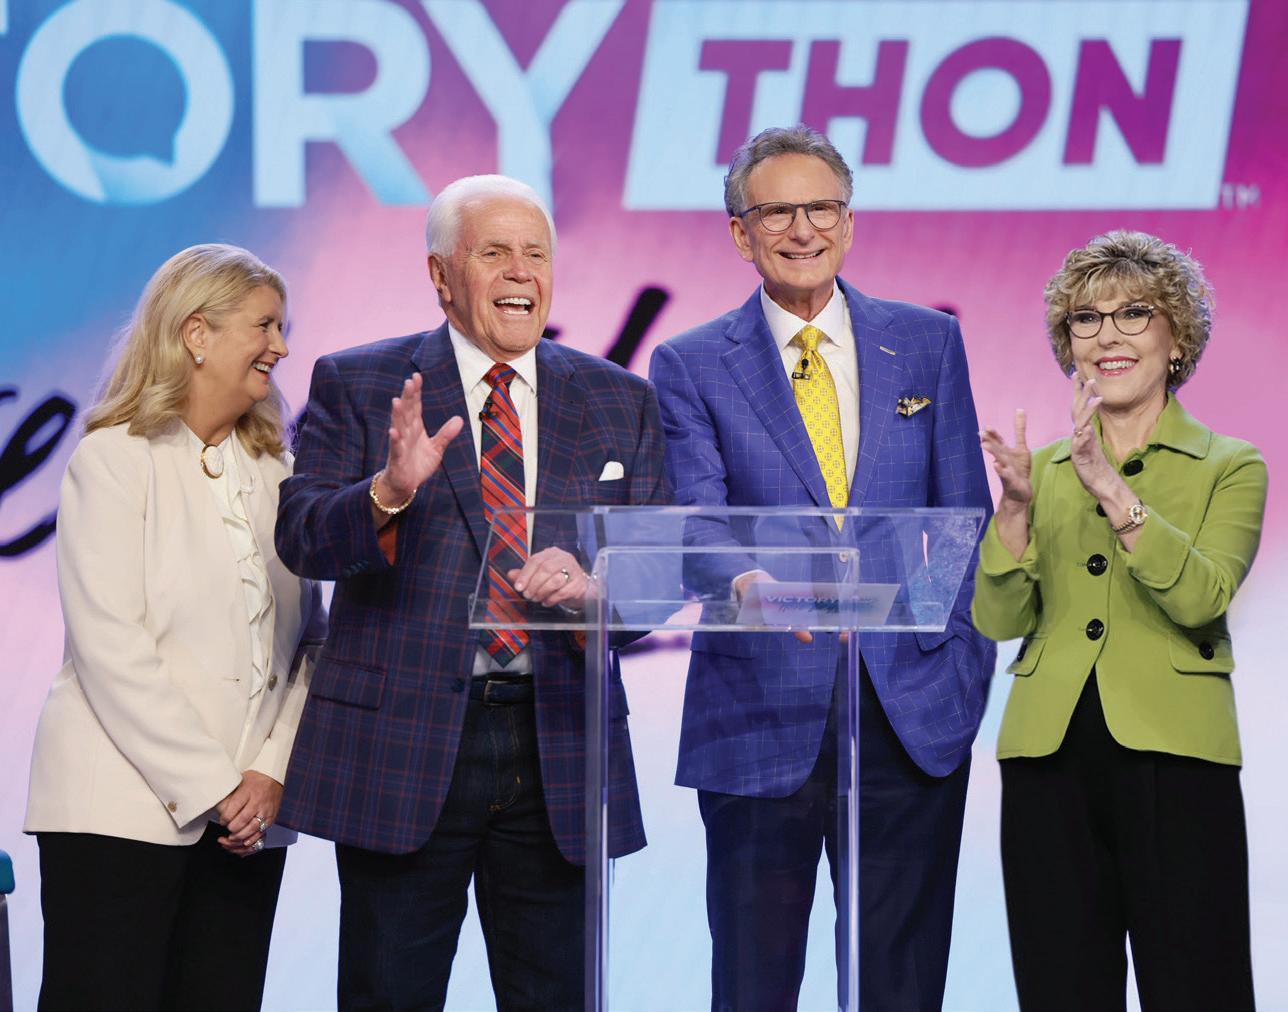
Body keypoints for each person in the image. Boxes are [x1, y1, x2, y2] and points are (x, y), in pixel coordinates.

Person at [275, 174, 669, 1010]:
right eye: (495, 252)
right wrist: (386, 493)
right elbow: (302, 537)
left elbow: (660, 577)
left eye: (536, 254)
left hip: (560, 744)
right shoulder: (361, 381)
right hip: (404, 745)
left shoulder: (621, 398)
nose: (521, 271)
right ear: (441, 274)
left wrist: (596, 591)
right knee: (388, 993)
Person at [649, 125, 995, 1010]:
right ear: (740, 233)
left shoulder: (926, 342)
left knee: (899, 986)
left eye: (823, 208)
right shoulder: (690, 362)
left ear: (850, 220)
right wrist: (747, 586)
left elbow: (963, 522)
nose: (803, 230)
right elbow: (694, 518)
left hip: (908, 712)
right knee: (754, 984)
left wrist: (950, 658)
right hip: (757, 707)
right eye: (777, 213)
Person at [25, 244, 326, 1011]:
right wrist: (217, 787)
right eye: (264, 326)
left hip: (250, 824)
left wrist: (270, 773)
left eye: (283, 328)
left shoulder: (282, 476)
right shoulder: (113, 460)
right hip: (118, 813)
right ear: (196, 334)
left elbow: (311, 645)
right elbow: (112, 651)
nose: (281, 347)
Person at [973, 230, 1264, 1010]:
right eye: (1086, 319)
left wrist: (1111, 489)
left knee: (1197, 985)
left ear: (1177, 339)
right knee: (1060, 987)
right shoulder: (1038, 469)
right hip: (1047, 759)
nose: (1108, 335)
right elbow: (997, 618)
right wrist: (1013, 513)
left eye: (1134, 314)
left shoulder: (1231, 464)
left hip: (1178, 757)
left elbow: (1202, 597)